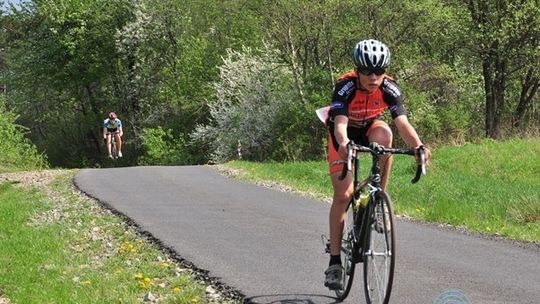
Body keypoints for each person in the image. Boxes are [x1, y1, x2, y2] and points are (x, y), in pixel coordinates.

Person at [323, 39, 431, 290]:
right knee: (343, 195)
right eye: (367, 71)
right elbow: (339, 124)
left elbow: (402, 123)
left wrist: (418, 146)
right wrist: (344, 143)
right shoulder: (345, 86)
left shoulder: (390, 88)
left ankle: (378, 197)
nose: (374, 77)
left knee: (386, 138)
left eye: (379, 71)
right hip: (343, 133)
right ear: (357, 69)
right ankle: (335, 263)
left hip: (370, 127)